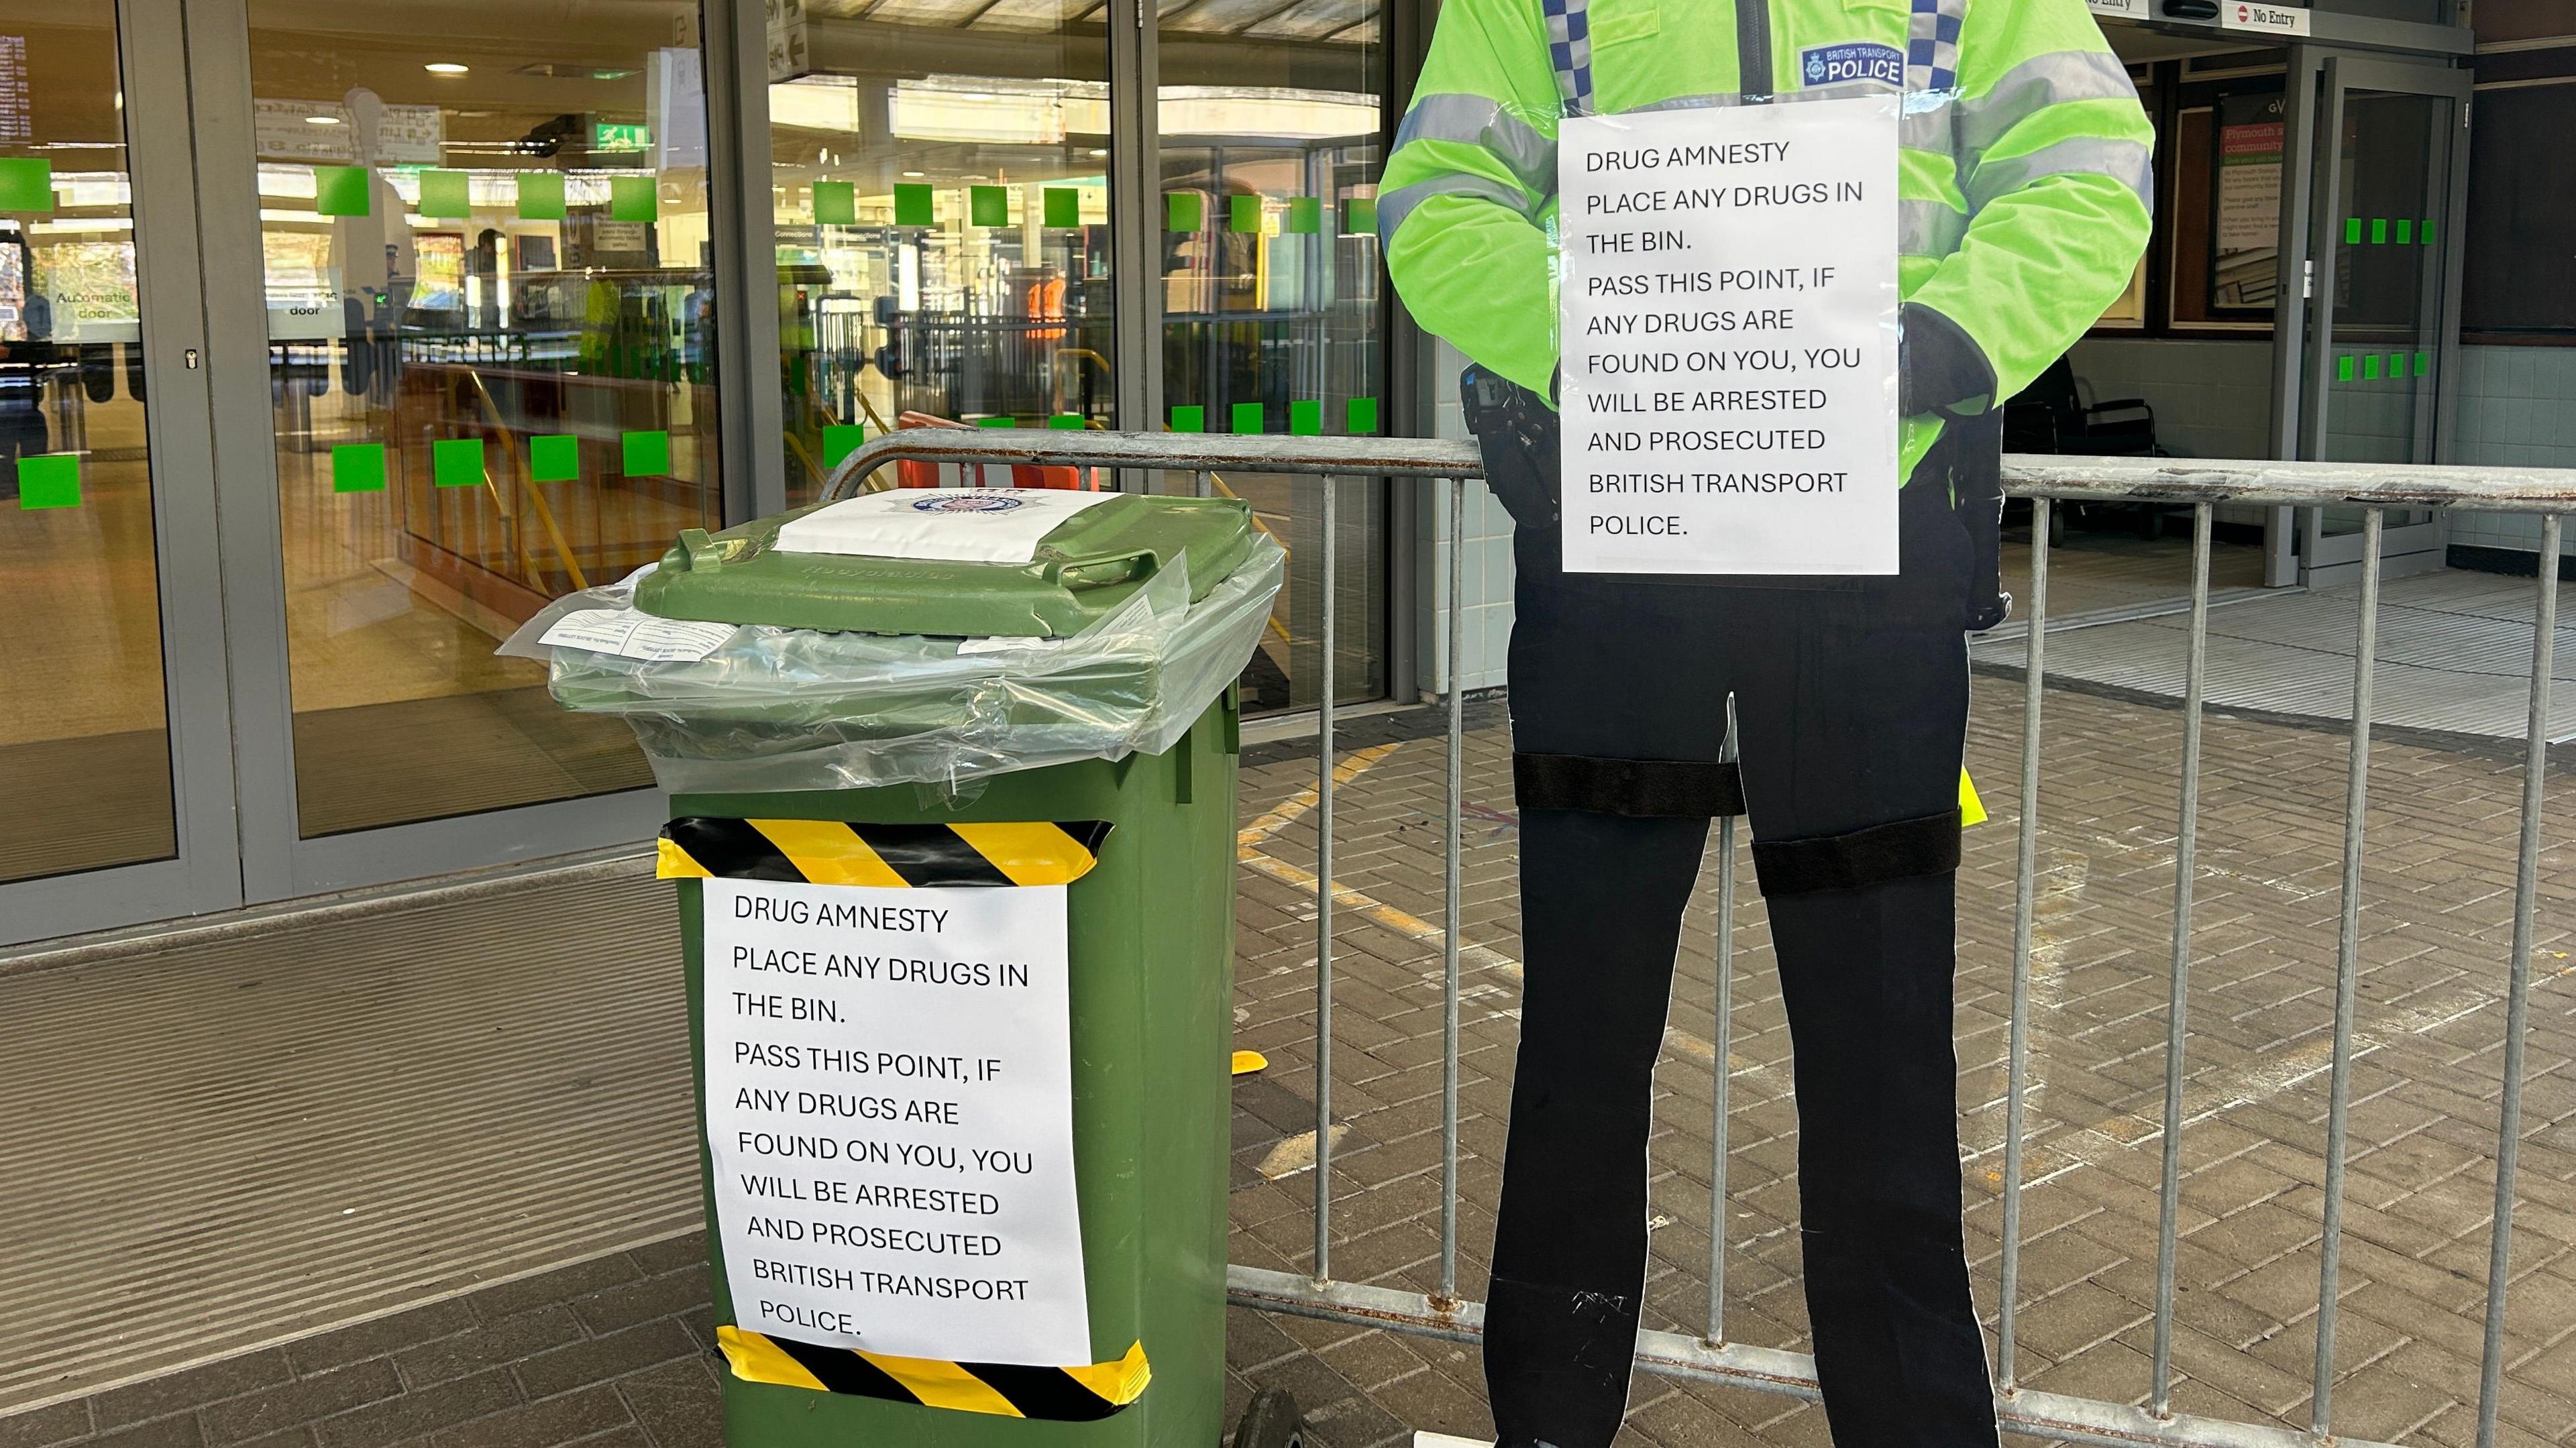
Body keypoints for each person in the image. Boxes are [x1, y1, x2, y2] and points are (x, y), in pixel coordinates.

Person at [1377, 2, 2151, 1445]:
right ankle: (1548, 1415)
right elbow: (1441, 197)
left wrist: (1954, 332)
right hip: (1629, 533)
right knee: (1585, 1028)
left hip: (1875, 542)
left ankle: (1914, 1423)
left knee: (1881, 1036)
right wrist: (1594, 346)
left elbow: (2090, 162)